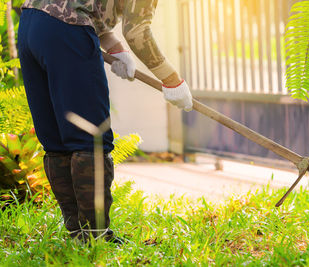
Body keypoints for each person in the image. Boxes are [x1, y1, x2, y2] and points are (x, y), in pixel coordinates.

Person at [17, 0, 193, 243]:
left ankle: (78, 233)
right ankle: (94, 235)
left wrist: (115, 46)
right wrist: (172, 80)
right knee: (90, 140)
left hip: (30, 24)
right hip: (68, 28)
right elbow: (138, 32)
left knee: (56, 140)